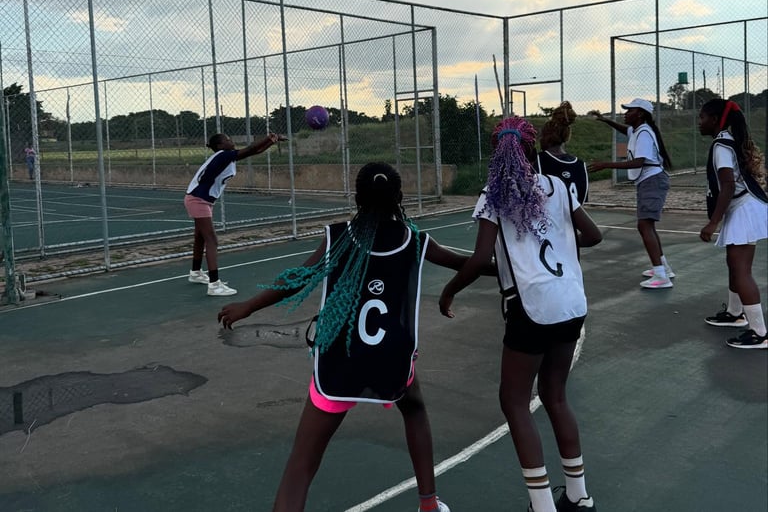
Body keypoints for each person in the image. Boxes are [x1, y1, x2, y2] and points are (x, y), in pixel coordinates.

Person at [218, 162, 483, 512]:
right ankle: (429, 504)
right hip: (391, 361)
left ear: (357, 198)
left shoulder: (339, 237)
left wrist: (249, 306)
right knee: (414, 408)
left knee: (301, 465)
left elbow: (297, 279)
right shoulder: (416, 240)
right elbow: (467, 263)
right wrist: (517, 270)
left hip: (339, 363)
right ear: (399, 198)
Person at [438, 117, 602, 512]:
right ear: (533, 151)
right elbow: (594, 236)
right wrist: (558, 244)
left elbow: (480, 258)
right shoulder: (558, 186)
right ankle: (579, 497)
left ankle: (542, 505)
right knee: (555, 396)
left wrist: (449, 290)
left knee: (513, 402)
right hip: (571, 302)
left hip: (530, 307)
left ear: (497, 154)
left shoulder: (493, 195)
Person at [698, 98, 768, 350]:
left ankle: (759, 333)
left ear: (715, 120)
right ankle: (735, 313)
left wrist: (713, 222)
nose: (699, 122)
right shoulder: (728, 140)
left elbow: (728, 184)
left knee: (741, 271)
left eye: (702, 117)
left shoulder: (721, 145)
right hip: (743, 206)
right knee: (734, 265)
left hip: (744, 208)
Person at [185, 132, 286, 296]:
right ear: (220, 145)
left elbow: (255, 151)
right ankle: (214, 285)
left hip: (201, 199)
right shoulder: (223, 155)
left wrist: (271, 141)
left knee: (200, 237)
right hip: (198, 200)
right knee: (212, 240)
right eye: (227, 139)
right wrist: (268, 138)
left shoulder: (226, 157)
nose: (231, 140)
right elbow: (251, 148)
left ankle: (195, 273)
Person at [588, 98, 675, 289]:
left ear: (641, 114)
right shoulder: (637, 130)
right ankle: (663, 268)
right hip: (649, 181)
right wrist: (605, 120)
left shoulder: (643, 133)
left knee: (644, 226)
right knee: (647, 225)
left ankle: (661, 276)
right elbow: (624, 129)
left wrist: (606, 164)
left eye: (630, 110)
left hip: (652, 181)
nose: (626, 113)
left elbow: (638, 162)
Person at [537, 101, 589, 205]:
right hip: (575, 216)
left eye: (541, 136)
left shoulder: (539, 161)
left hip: (549, 215)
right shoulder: (580, 165)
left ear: (546, 136)